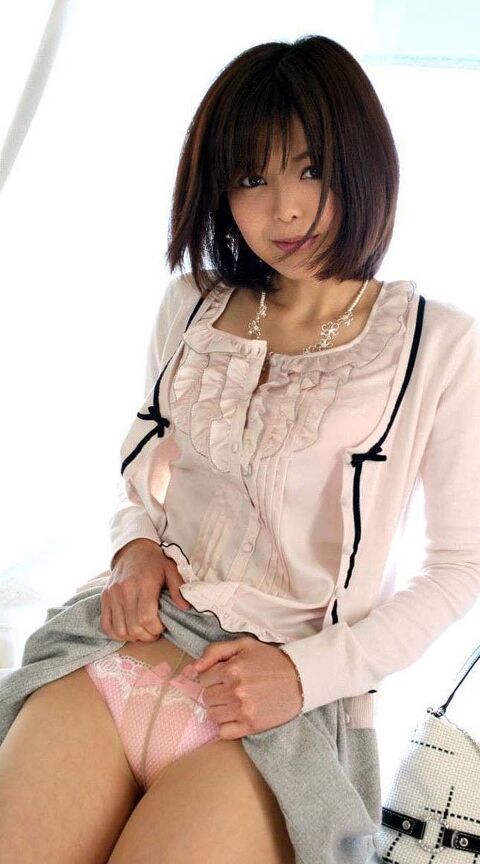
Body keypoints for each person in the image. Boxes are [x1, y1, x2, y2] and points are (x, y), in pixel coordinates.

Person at [1, 33, 480, 864]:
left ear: (363, 163)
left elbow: (459, 568)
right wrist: (134, 547)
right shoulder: (190, 305)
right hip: (119, 653)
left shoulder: (437, 346)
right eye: (251, 178)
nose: (283, 210)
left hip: (274, 712)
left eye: (310, 169)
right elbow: (144, 481)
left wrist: (303, 675)